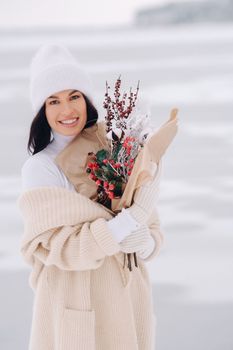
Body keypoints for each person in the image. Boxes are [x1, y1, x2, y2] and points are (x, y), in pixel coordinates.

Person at [18, 44, 164, 350]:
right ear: (42, 111)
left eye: (74, 96)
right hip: (75, 300)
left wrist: (147, 243)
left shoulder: (117, 149)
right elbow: (60, 247)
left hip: (125, 295)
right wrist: (123, 225)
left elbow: (150, 225)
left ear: (86, 100)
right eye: (53, 101)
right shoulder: (40, 168)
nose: (67, 110)